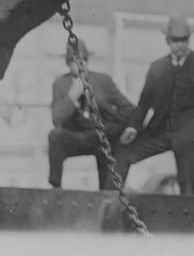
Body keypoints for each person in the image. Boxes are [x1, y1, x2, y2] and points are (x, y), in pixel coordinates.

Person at [115, 16, 194, 195]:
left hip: (193, 130)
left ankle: (189, 218)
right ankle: (112, 199)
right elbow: (144, 103)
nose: (180, 45)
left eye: (183, 40)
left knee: (189, 182)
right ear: (167, 41)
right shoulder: (157, 68)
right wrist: (132, 128)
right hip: (161, 129)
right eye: (175, 40)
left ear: (188, 40)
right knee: (123, 152)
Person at [48, 39, 136, 190]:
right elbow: (56, 119)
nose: (81, 65)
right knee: (55, 137)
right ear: (68, 64)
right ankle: (55, 188)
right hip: (79, 137)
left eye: (83, 60)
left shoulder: (103, 81)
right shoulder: (60, 84)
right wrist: (72, 97)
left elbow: (128, 109)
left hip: (104, 136)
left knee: (108, 186)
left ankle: (109, 193)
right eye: (75, 62)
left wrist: (128, 128)